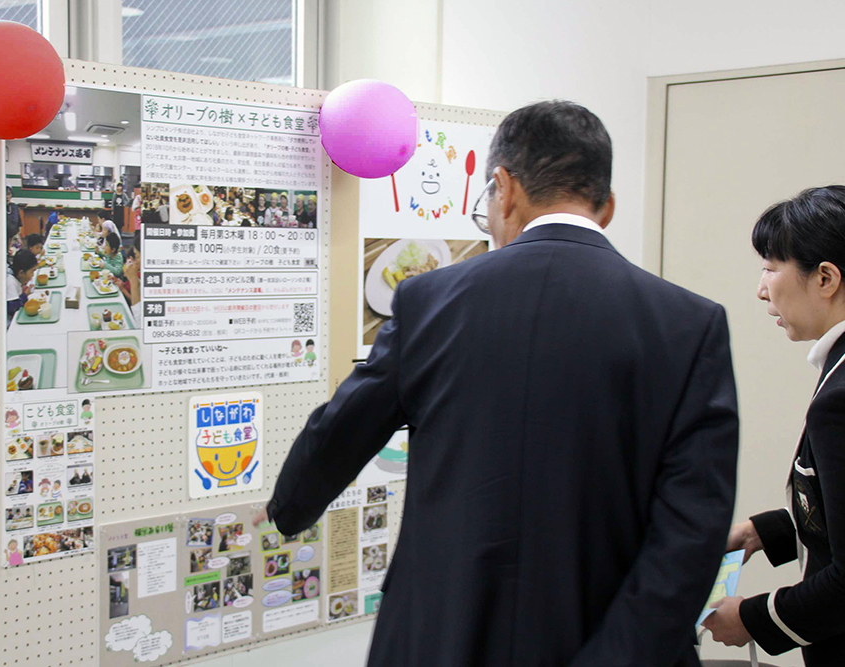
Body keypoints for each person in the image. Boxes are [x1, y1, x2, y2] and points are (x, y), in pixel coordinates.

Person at [254, 101, 739, 666]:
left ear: (503, 187)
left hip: (443, 630)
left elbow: (342, 426)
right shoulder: (689, 323)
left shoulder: (428, 300)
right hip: (601, 632)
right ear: (606, 207)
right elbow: (693, 528)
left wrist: (289, 506)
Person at [704, 187, 845, 666]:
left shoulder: (840, 399)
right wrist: (762, 532)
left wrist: (754, 615)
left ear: (825, 277)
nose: (761, 288)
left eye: (770, 268)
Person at [6, 249, 37, 325]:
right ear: (21, 273)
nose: (33, 275)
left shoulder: (16, 279)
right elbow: (12, 308)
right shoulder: (10, 282)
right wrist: (25, 295)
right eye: (32, 271)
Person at [6, 186, 22, 251]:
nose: (7, 196)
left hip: (13, 239)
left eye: (9, 194)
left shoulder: (14, 207)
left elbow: (19, 224)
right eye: (5, 194)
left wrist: (19, 238)